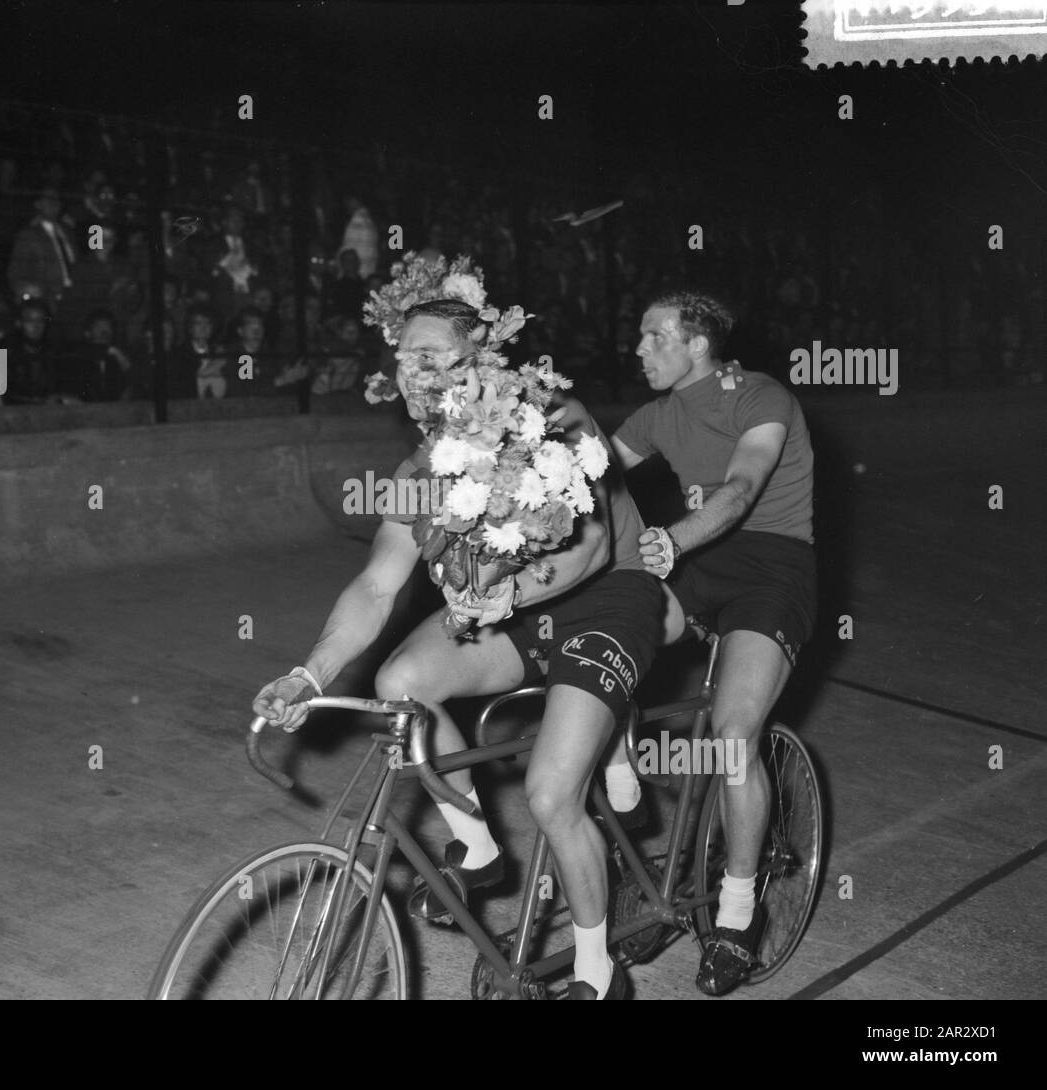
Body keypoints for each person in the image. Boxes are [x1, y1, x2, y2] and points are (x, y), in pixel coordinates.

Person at [253, 297, 660, 1000]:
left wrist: (506, 598)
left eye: (430, 357)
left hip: (607, 598)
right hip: (520, 612)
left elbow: (591, 548)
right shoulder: (422, 469)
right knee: (403, 678)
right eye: (403, 358)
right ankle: (478, 849)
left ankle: (599, 973)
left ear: (481, 362)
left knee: (551, 791)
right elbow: (378, 587)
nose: (410, 373)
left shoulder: (549, 418)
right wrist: (306, 676)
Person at [605, 289, 816, 996]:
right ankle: (618, 767)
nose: (639, 349)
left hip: (771, 569)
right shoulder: (656, 414)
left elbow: (741, 488)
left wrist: (670, 539)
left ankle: (736, 911)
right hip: (697, 568)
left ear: (697, 343)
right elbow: (586, 475)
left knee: (731, 736)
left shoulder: (759, 395)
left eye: (652, 336)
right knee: (605, 643)